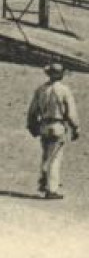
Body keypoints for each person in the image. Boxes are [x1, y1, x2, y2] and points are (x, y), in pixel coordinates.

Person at [27, 61, 79, 200]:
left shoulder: (41, 90)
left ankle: (43, 183)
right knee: (55, 158)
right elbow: (70, 113)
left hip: (44, 125)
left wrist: (32, 126)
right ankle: (52, 189)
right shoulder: (64, 90)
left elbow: (32, 111)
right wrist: (75, 127)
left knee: (46, 156)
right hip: (57, 126)